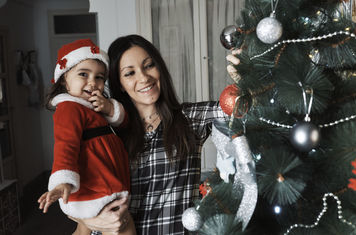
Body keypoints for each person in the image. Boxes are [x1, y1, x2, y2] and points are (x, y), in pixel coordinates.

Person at [71, 34, 240, 235]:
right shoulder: (107, 132)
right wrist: (85, 217)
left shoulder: (191, 118)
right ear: (120, 85)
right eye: (130, 73)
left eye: (149, 65)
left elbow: (244, 109)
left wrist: (246, 75)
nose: (144, 78)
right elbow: (80, 192)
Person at [37, 39, 136, 235]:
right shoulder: (69, 108)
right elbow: (66, 145)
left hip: (101, 183)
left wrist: (109, 108)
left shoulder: (91, 106)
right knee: (124, 227)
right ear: (65, 79)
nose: (93, 83)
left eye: (99, 77)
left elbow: (124, 124)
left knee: (83, 230)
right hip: (96, 185)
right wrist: (63, 181)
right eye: (84, 74)